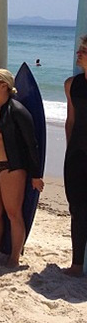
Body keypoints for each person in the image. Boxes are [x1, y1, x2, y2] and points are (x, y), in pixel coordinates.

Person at [0, 68, 44, 267]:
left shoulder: (17, 110)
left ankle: (14, 258)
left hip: (12, 167)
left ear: (4, 85)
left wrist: (36, 175)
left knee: (13, 213)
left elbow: (31, 144)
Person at [63, 37, 87, 276]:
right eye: (79, 49)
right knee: (76, 209)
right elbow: (70, 122)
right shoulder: (72, 84)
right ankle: (77, 264)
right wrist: (71, 151)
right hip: (77, 154)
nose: (78, 53)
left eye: (84, 51)